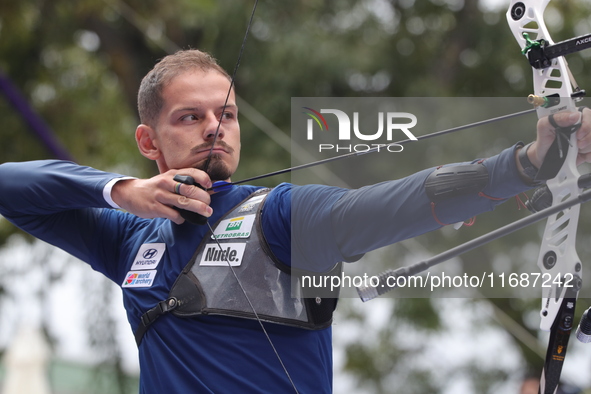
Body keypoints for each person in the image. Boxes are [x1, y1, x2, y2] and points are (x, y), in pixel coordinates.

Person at [1, 49, 590, 393]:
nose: (214, 127)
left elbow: (398, 203)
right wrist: (120, 190)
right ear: (148, 140)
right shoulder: (131, 238)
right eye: (190, 116)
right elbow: (11, 186)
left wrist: (529, 164)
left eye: (225, 114)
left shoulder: (278, 214)